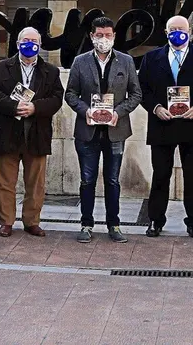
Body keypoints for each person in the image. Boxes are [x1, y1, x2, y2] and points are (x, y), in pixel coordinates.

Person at [138, 15, 193, 238]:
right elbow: (142, 90)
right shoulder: (151, 57)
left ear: (190, 31)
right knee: (160, 175)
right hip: (161, 124)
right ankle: (156, 220)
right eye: (173, 29)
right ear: (166, 33)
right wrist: (155, 108)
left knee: (192, 175)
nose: (177, 33)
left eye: (181, 29)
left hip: (191, 124)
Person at [65, 17, 142, 243]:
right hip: (87, 132)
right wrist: (86, 110)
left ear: (114, 36)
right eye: (99, 35)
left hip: (115, 131)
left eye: (108, 35)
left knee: (112, 180)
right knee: (87, 180)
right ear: (91, 36)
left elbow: (136, 94)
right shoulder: (80, 62)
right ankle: (86, 224)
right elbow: (70, 94)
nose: (103, 39)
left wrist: (119, 111)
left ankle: (114, 224)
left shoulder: (126, 62)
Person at [0, 27, 64, 238]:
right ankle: (6, 221)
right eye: (26, 41)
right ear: (18, 44)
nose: (30, 44)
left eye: (34, 41)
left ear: (40, 44)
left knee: (36, 183)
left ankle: (32, 221)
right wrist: (13, 106)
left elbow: (57, 98)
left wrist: (35, 107)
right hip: (8, 131)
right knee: (4, 181)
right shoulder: (2, 67)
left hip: (36, 133)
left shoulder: (51, 71)